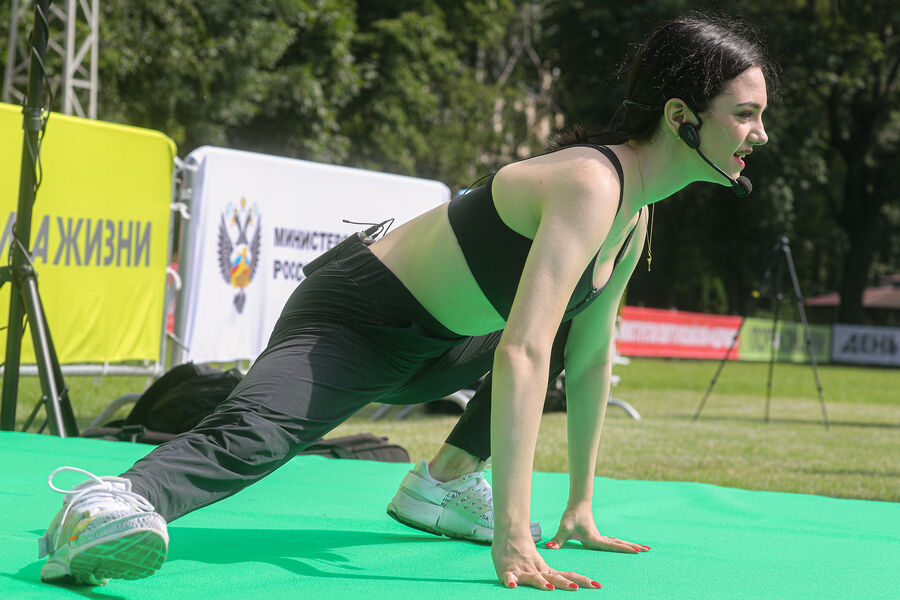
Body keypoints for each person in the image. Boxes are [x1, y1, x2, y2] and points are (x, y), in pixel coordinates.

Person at [37, 13, 772, 591]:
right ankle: (102, 507)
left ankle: (443, 484)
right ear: (682, 116)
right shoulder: (594, 183)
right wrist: (514, 536)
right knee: (256, 438)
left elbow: (584, 363)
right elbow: (520, 351)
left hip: (439, 347)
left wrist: (578, 509)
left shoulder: (638, 214)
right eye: (744, 114)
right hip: (355, 318)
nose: (759, 135)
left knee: (559, 340)